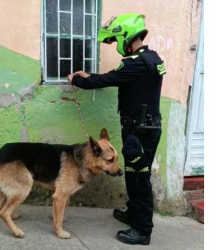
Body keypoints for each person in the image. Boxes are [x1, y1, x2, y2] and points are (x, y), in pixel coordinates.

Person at [67, 12, 166, 245]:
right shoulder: (152, 58)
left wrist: (78, 80)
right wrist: (93, 76)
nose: (116, 45)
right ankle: (133, 213)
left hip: (140, 130)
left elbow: (107, 80)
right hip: (144, 127)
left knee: (139, 178)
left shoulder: (136, 62)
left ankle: (142, 230)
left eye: (115, 40)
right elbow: (118, 77)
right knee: (133, 175)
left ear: (126, 37)